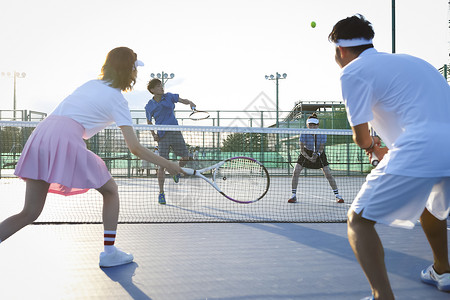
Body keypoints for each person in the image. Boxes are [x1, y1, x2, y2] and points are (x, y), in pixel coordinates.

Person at [0, 47, 183, 268]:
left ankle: (110, 251)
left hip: (41, 134)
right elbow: (134, 147)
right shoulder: (118, 100)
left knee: (29, 212)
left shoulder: (90, 84)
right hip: (64, 138)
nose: (136, 74)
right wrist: (169, 164)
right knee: (111, 190)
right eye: (135, 69)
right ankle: (109, 252)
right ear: (129, 71)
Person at [329, 14, 450, 299]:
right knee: (432, 208)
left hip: (420, 147)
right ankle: (443, 270)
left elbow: (361, 138)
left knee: (358, 221)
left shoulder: (351, 71)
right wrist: (386, 148)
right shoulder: (415, 62)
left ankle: (382, 296)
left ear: (340, 50)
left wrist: (373, 148)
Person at [145, 78, 196, 205]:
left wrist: (190, 102)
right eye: (158, 86)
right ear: (152, 90)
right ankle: (161, 193)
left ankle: (176, 171)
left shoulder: (169, 97)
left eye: (161, 86)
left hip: (175, 131)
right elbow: (149, 121)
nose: (161, 88)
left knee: (186, 157)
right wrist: (153, 135)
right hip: (162, 136)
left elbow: (182, 100)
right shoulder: (149, 106)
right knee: (161, 165)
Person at [288, 113, 344, 203]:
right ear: (307, 125)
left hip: (319, 154)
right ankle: (293, 195)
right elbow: (302, 150)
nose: (312, 127)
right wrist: (309, 158)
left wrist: (317, 154)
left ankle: (337, 195)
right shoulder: (303, 133)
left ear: (318, 125)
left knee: (328, 174)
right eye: (310, 125)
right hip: (306, 153)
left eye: (314, 125)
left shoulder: (322, 133)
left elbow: (321, 147)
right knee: (296, 172)